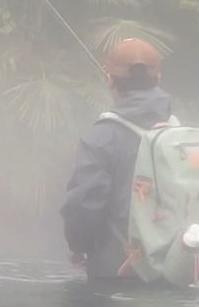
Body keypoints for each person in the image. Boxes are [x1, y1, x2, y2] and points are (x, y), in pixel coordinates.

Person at [60, 38, 173, 281]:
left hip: (119, 273)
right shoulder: (178, 133)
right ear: (158, 78)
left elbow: (84, 206)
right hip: (176, 269)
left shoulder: (101, 137)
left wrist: (79, 245)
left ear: (110, 79)